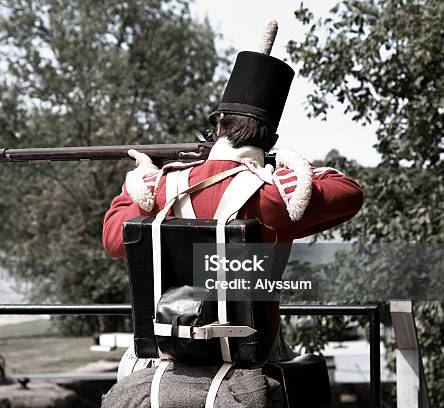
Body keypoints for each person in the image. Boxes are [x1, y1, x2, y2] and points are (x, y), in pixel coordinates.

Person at [101, 50, 363, 407]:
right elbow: (348, 192)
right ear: (269, 138)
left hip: (169, 357)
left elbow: (115, 239)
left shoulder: (165, 186)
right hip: (253, 360)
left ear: (218, 126)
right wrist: (283, 165)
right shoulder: (274, 194)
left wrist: (140, 185)